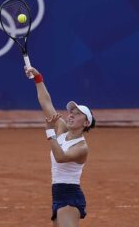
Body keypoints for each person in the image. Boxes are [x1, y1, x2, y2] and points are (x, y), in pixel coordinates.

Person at [24, 66, 95, 227]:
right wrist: (38, 78)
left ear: (86, 123)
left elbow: (61, 157)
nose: (71, 115)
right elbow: (46, 103)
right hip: (57, 195)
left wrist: (50, 131)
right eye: (71, 112)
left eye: (77, 114)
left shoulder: (82, 147)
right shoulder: (62, 129)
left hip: (70, 197)